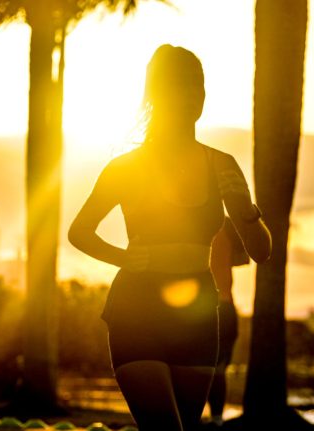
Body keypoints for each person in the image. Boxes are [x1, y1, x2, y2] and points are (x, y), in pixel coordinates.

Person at [68, 44, 272, 431]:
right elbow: (79, 231)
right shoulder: (126, 167)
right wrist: (122, 257)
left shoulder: (221, 164)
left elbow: (261, 252)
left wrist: (245, 209)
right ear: (158, 96)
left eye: (198, 87)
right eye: (181, 87)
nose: (192, 97)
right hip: (136, 307)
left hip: (197, 312)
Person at [206, 217, 249, 427]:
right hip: (223, 305)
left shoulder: (181, 220)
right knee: (218, 368)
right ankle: (216, 418)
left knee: (199, 366)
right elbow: (242, 258)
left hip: (206, 305)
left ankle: (212, 417)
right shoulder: (226, 224)